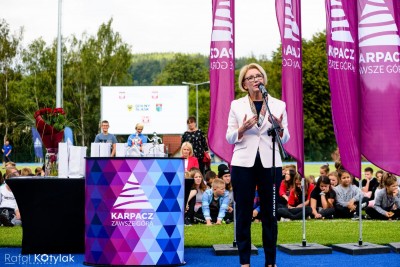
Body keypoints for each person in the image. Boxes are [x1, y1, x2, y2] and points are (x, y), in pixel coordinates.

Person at [226, 63, 290, 267]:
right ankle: (244, 262)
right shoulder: (237, 105)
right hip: (243, 163)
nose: (256, 79)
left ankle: (270, 262)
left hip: (270, 163)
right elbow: (229, 137)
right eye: (250, 77)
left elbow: (286, 137)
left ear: (264, 80)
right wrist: (242, 129)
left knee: (270, 214)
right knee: (244, 213)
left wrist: (280, 128)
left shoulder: (278, 105)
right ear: (244, 84)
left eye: (258, 76)